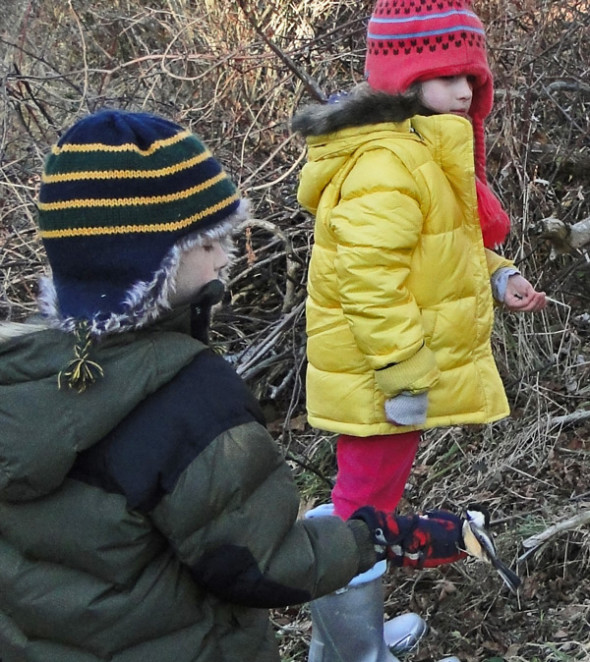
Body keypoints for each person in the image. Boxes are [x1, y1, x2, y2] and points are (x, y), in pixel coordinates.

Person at [0, 109, 468, 662]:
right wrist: (377, 536)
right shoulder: (188, 400)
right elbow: (262, 563)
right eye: (207, 242)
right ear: (150, 262)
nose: (225, 256)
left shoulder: (21, 372)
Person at [292, 0, 546, 660]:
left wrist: (496, 274)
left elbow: (436, 247)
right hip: (382, 372)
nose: (465, 90)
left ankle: (352, 637)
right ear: (403, 80)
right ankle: (354, 652)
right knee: (361, 514)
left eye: (472, 77)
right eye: (447, 76)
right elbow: (369, 280)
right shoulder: (388, 163)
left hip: (385, 371)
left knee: (365, 506)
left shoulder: (420, 150)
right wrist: (404, 372)